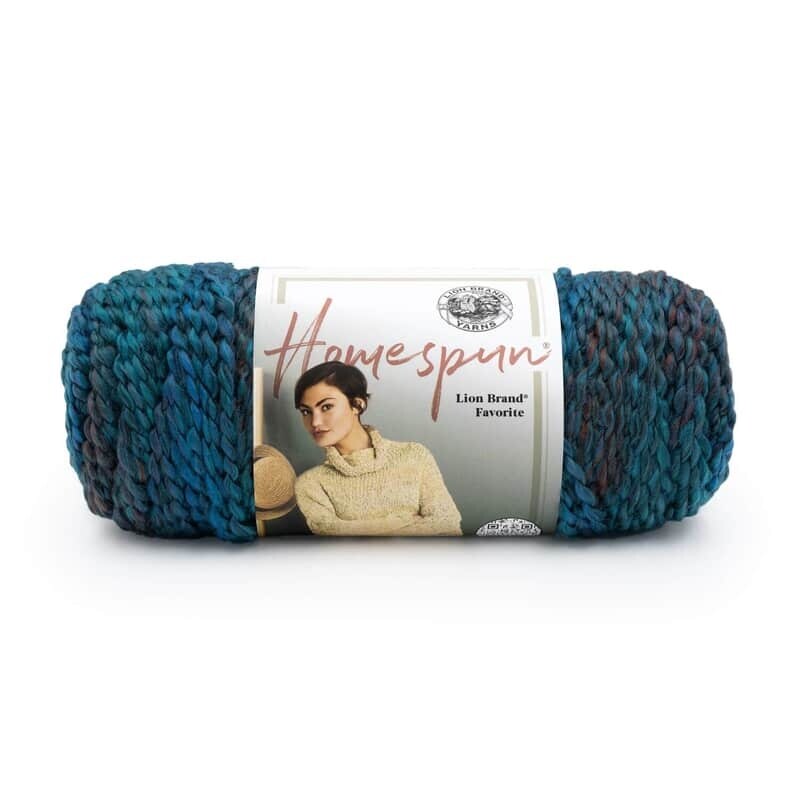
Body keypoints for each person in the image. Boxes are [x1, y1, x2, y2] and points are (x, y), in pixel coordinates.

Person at [292, 361, 462, 536]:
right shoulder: (311, 484)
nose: (315, 422)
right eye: (306, 411)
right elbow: (333, 537)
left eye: (326, 407)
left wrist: (358, 531)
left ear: (357, 405)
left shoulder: (413, 455)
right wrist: (405, 522)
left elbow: (448, 524)